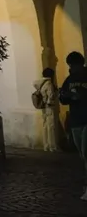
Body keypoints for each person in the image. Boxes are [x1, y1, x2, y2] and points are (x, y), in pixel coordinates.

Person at [59, 51, 87, 200]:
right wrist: (67, 96)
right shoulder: (69, 80)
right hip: (76, 120)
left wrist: (81, 96)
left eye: (73, 65)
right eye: (70, 65)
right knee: (82, 155)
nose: (72, 68)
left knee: (86, 151)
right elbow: (62, 97)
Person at [33, 68, 60, 152]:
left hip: (43, 107)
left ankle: (46, 146)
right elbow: (51, 95)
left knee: (45, 125)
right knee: (51, 126)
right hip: (49, 106)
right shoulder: (49, 84)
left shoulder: (39, 83)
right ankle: (53, 147)